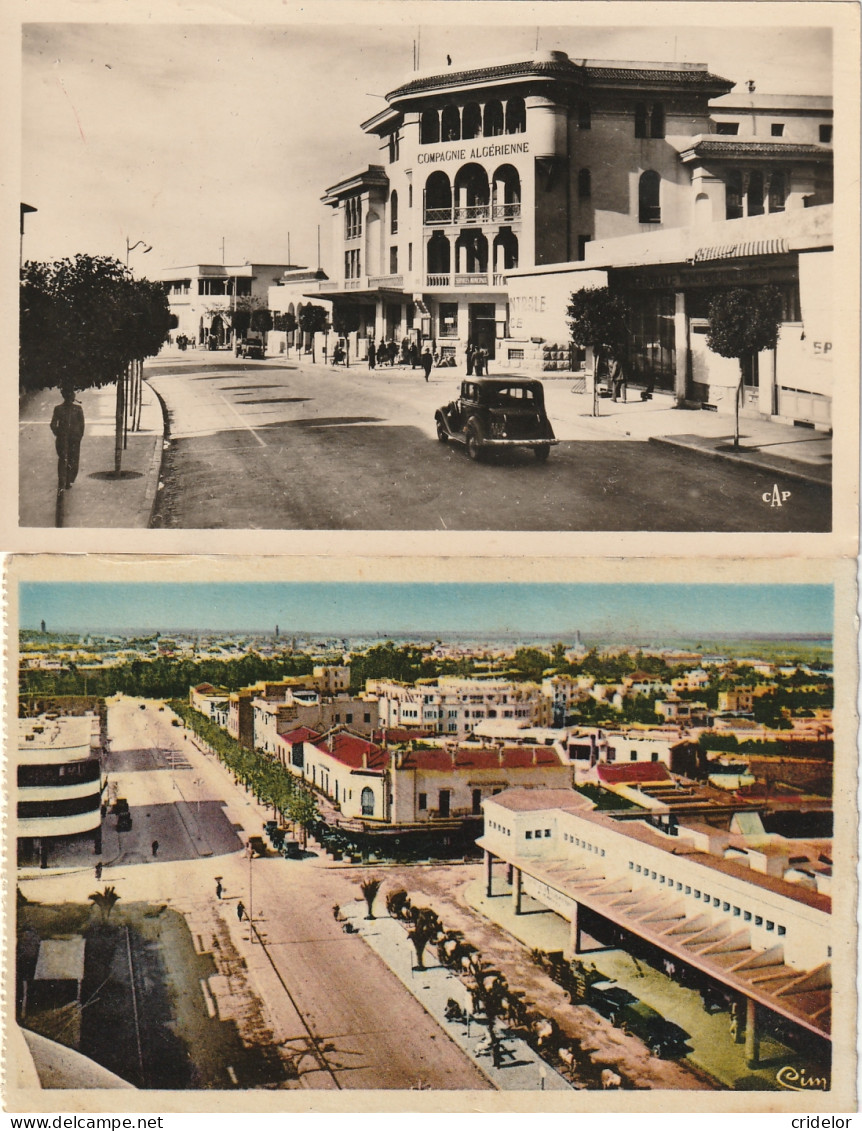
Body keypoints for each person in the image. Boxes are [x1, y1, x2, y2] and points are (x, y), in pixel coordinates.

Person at [50, 388, 86, 490]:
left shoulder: (58, 408)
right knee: (72, 459)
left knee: (63, 458)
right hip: (73, 438)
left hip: (65, 438)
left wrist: (58, 433)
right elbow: (82, 425)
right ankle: (67, 480)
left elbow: (53, 424)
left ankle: (63, 479)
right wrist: (79, 435)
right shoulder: (78, 409)